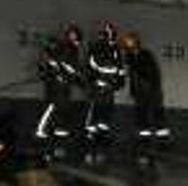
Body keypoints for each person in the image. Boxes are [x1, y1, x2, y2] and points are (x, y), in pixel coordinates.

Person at [35, 24, 85, 148]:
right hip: (56, 83)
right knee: (53, 105)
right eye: (71, 34)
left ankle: (60, 128)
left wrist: (76, 78)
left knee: (64, 105)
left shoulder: (73, 49)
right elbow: (55, 62)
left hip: (64, 83)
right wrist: (57, 73)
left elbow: (72, 67)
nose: (73, 37)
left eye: (74, 35)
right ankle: (41, 129)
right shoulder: (65, 47)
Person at [84, 22, 127, 156]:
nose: (110, 36)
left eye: (111, 34)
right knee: (96, 112)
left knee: (105, 114)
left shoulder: (116, 51)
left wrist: (117, 84)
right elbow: (91, 67)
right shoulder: (96, 48)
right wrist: (92, 83)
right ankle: (91, 137)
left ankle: (101, 137)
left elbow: (120, 70)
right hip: (98, 87)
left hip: (109, 88)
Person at [122, 31, 171, 147]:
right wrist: (133, 91)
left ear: (136, 43)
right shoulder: (130, 57)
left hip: (152, 91)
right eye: (127, 43)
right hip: (140, 93)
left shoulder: (145, 55)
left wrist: (154, 89)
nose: (128, 45)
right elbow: (133, 77)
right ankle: (144, 139)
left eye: (130, 42)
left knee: (157, 115)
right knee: (141, 116)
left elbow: (149, 72)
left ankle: (163, 139)